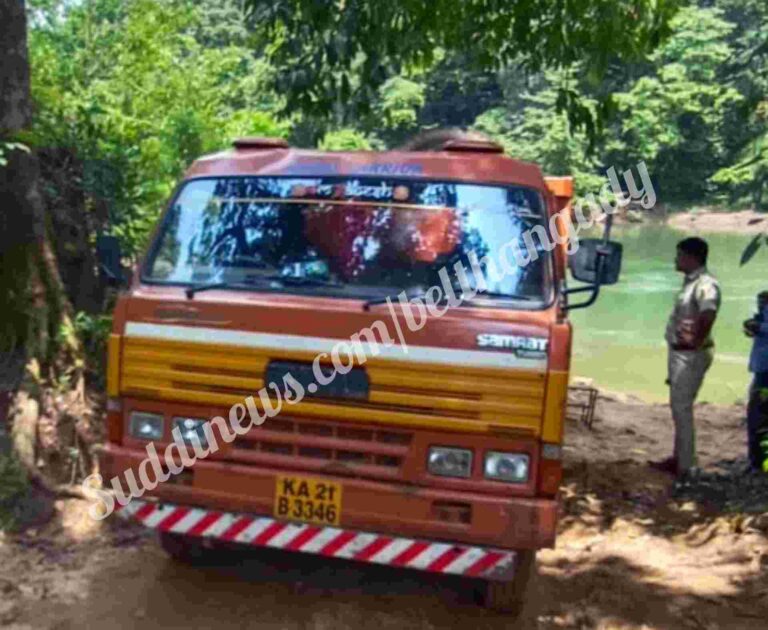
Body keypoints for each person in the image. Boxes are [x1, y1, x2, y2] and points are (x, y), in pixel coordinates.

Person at [650, 237, 721, 480]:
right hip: (683, 353)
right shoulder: (692, 282)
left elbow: (709, 312)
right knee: (678, 407)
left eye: (679, 255)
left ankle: (687, 467)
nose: (676, 260)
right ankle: (680, 457)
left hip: (690, 355)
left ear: (692, 258)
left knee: (681, 409)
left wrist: (695, 341)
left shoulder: (706, 284)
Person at [744, 290, 768, 474]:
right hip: (761, 369)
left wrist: (759, 327)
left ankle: (757, 464)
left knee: (757, 417)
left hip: (765, 372)